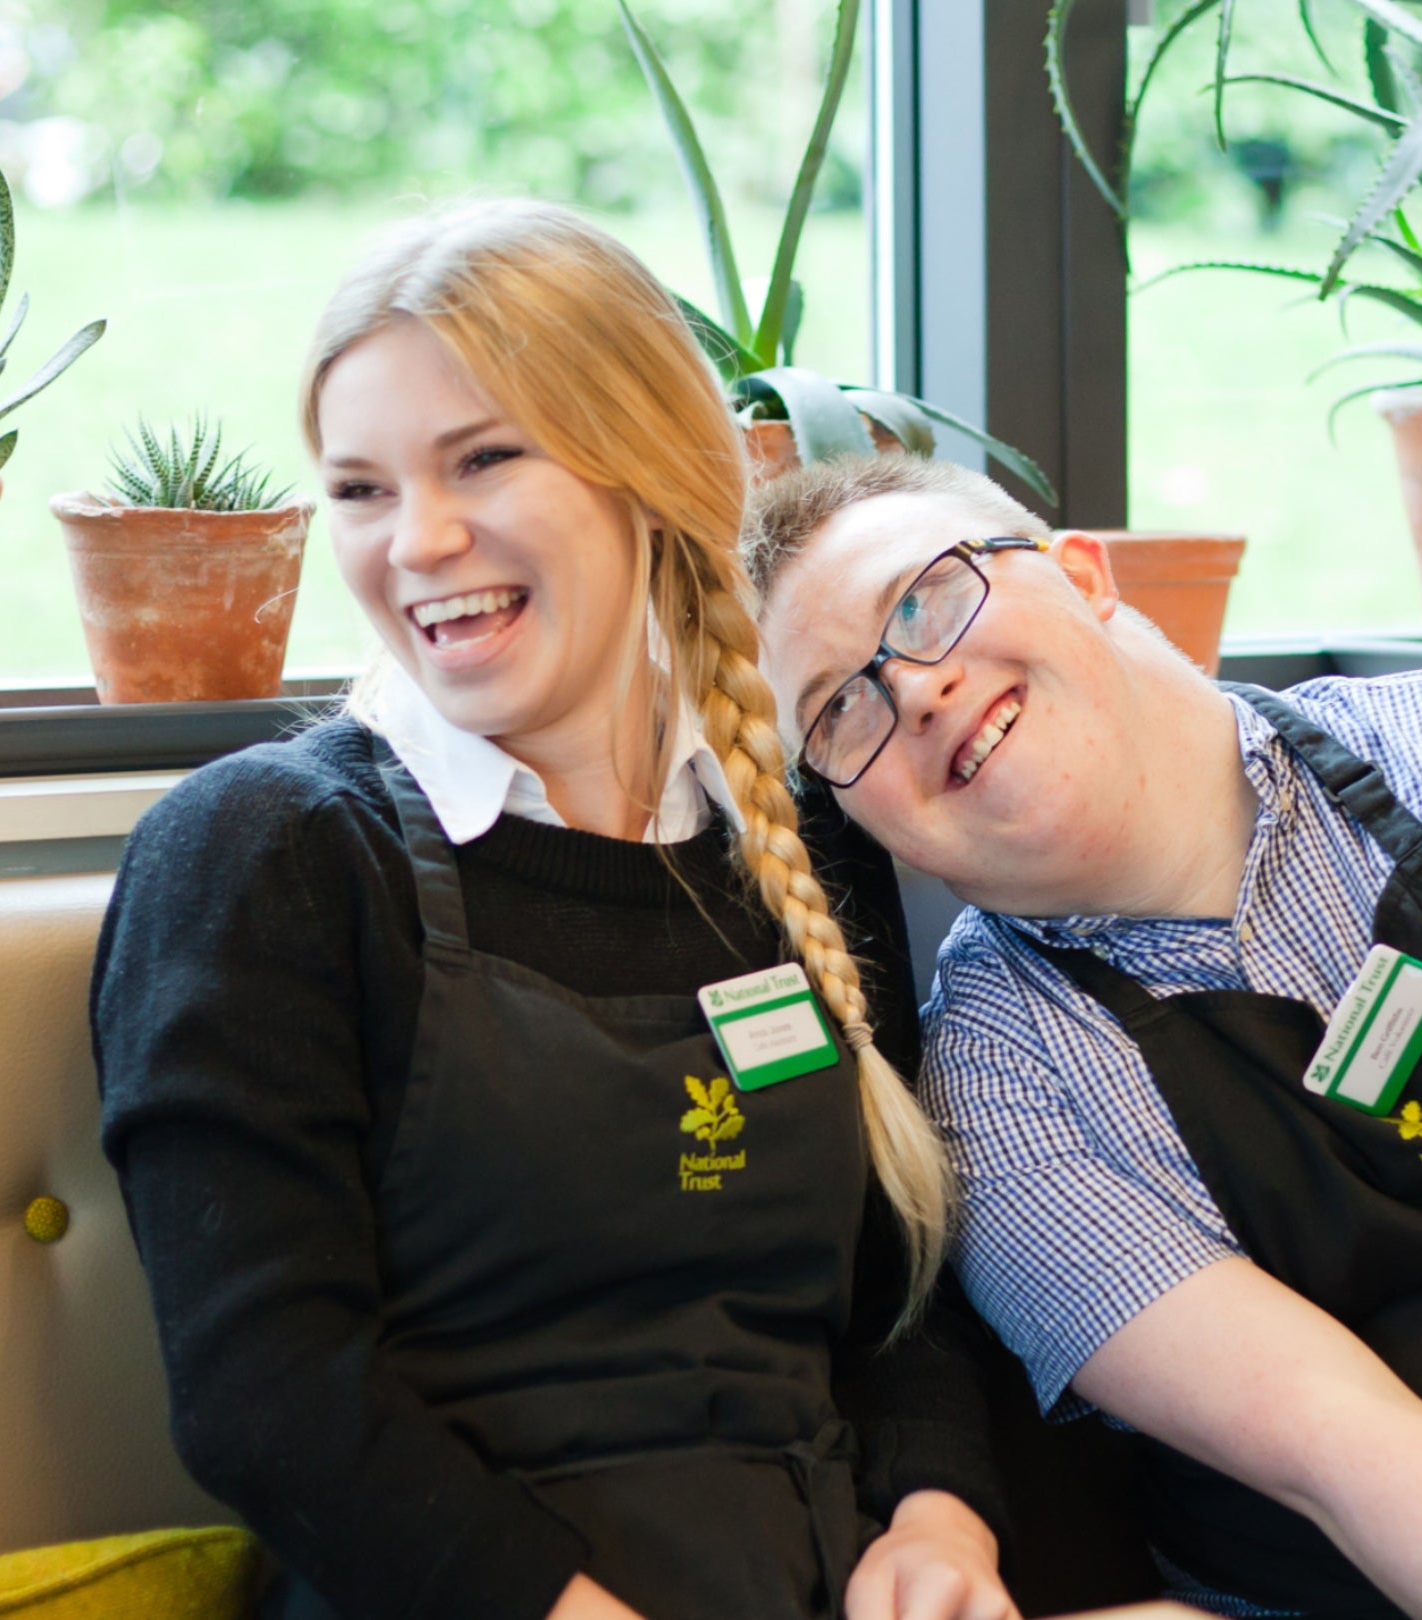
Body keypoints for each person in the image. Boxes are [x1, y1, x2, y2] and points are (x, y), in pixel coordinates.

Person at [91, 202, 1017, 1620]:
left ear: (648, 471)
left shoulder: (802, 833)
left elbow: (906, 1300)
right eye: (360, 491)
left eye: (484, 460)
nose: (419, 540)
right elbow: (269, 1401)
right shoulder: (267, 853)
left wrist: (942, 1530)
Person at [744, 456, 1422, 1620]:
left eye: (930, 599)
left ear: (1086, 576)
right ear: (852, 818)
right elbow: (1346, 1454)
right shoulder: (995, 1096)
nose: (917, 691)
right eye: (842, 707)